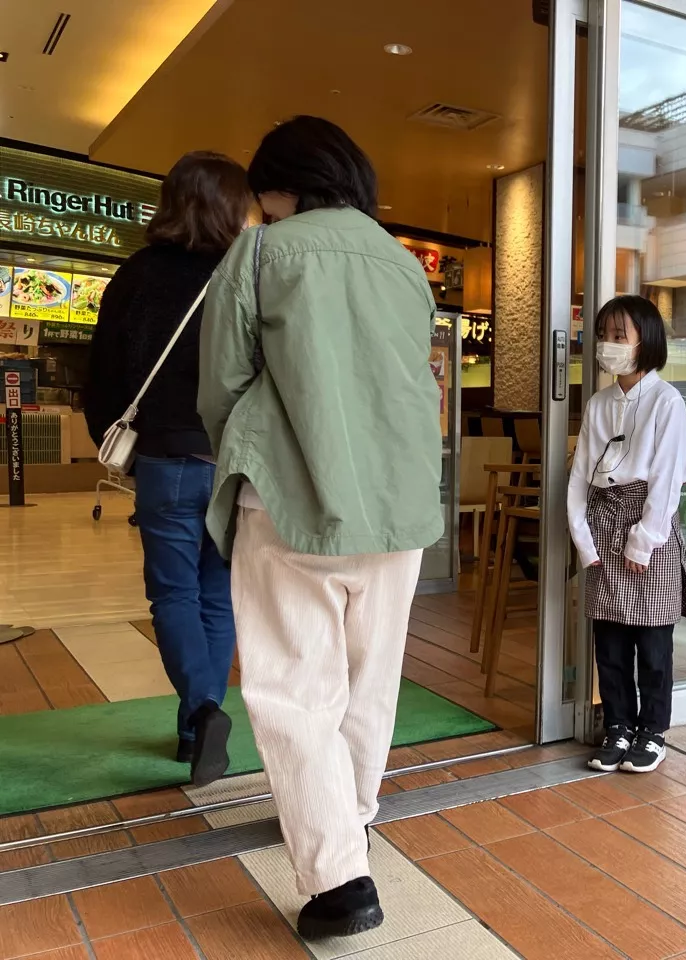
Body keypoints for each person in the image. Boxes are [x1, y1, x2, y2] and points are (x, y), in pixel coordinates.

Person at [198, 116, 441, 942]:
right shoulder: (406, 266)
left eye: (263, 190)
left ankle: (339, 883)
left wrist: (242, 450)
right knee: (369, 681)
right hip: (398, 506)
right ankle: (351, 825)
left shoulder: (262, 254)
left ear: (282, 184)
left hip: (292, 498)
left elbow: (221, 385)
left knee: (295, 689)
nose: (260, 205)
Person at [85, 151, 253, 787]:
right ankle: (196, 728)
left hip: (166, 459)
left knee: (173, 593)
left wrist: (116, 440)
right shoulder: (243, 273)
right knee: (217, 595)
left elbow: (100, 377)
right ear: (233, 206)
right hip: (232, 459)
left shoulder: (135, 275)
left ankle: (203, 711)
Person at [568, 296, 686, 775]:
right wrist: (584, 541)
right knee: (610, 640)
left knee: (653, 641)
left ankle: (652, 731)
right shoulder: (599, 404)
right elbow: (579, 476)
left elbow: (666, 479)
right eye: (604, 334)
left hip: (649, 529)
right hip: (602, 529)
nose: (609, 345)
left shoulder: (667, 401)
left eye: (620, 336)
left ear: (647, 341)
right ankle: (617, 725)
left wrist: (643, 541)